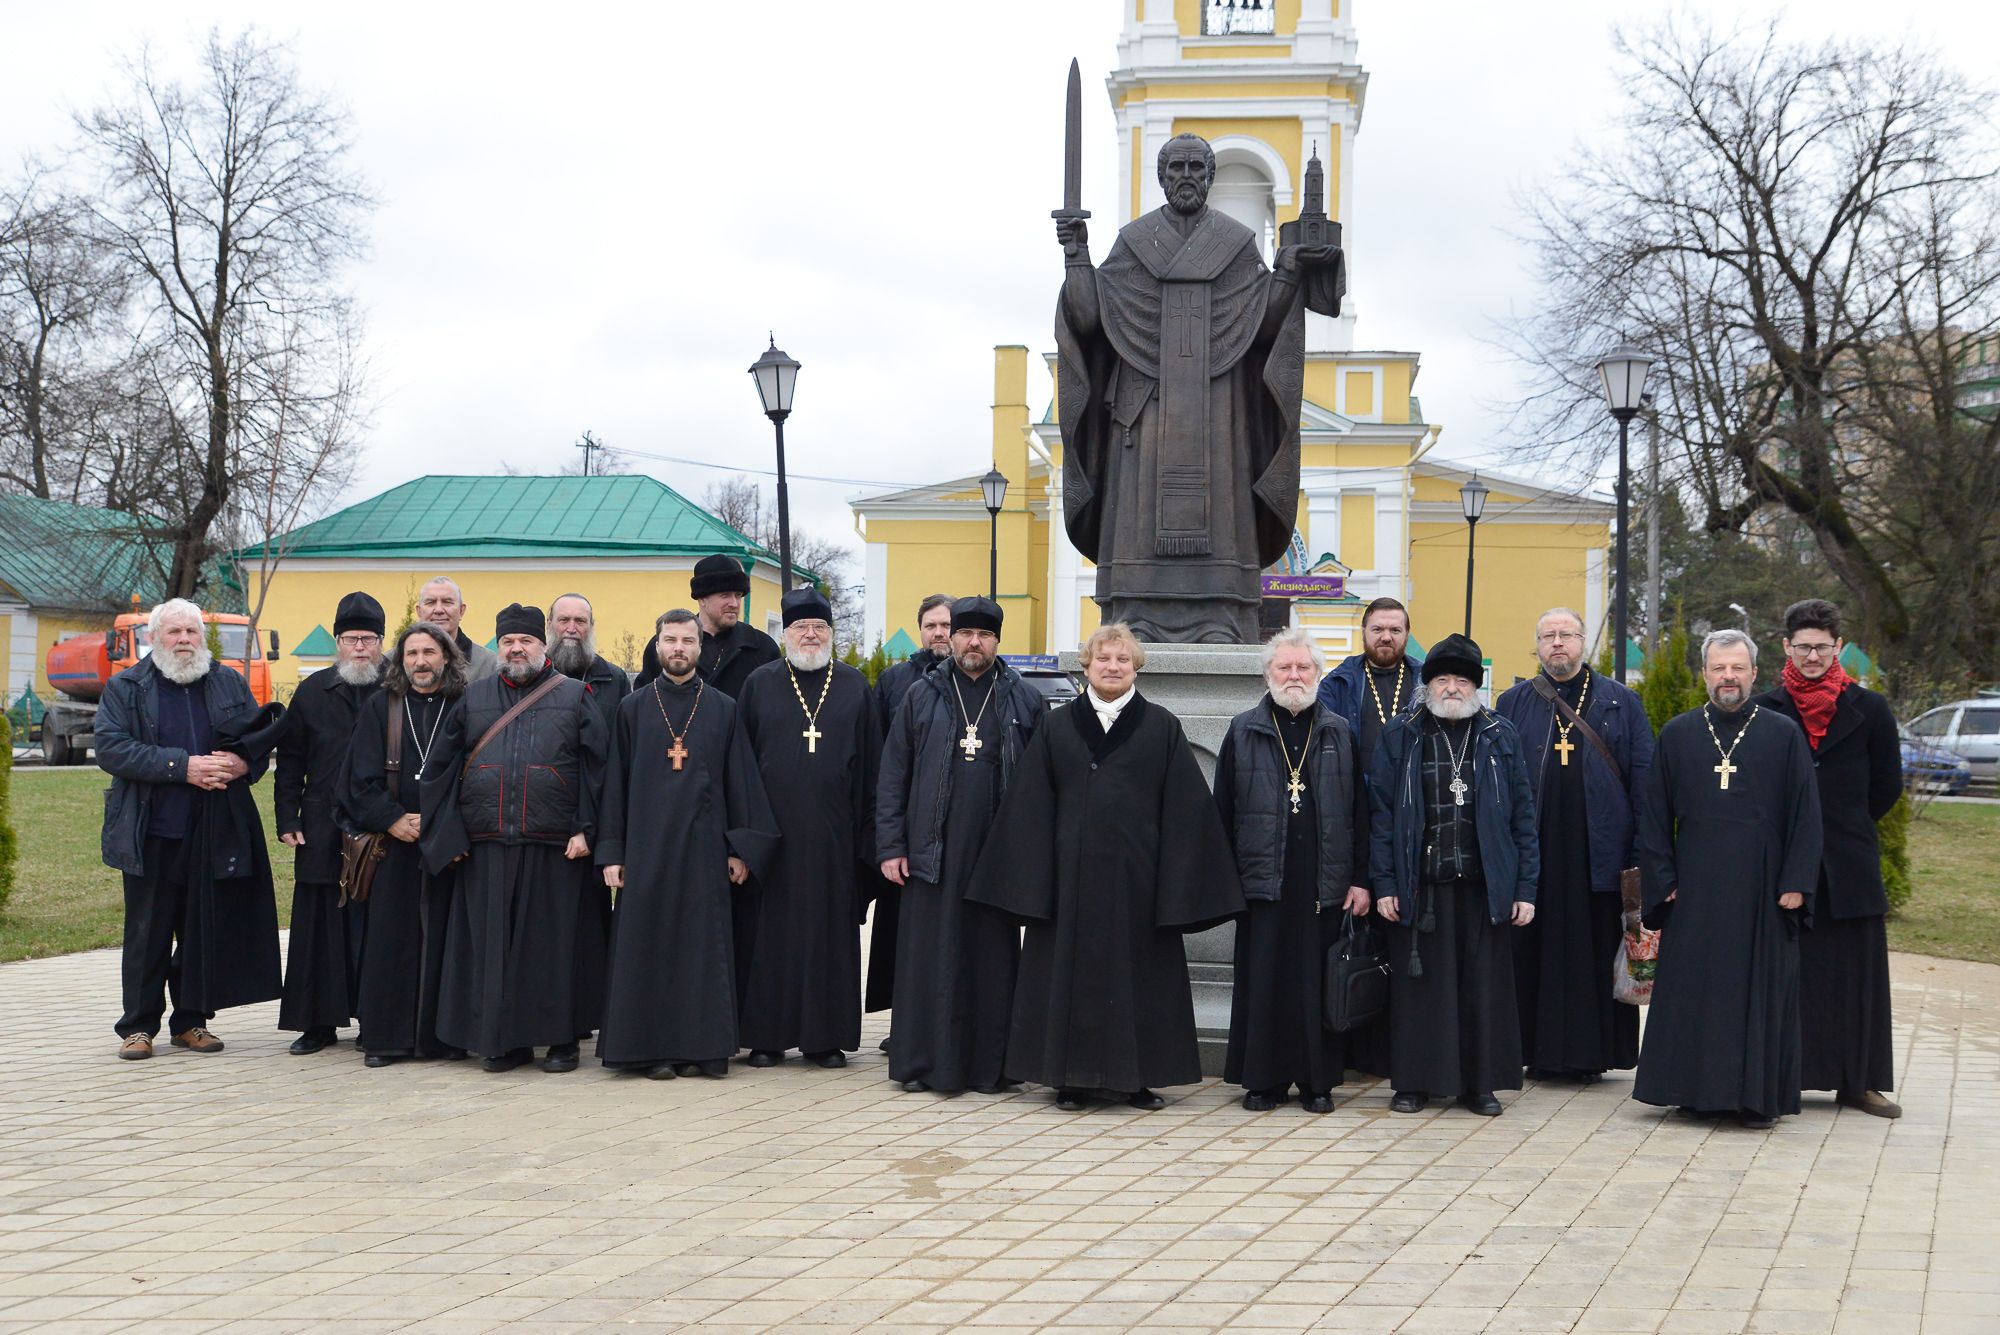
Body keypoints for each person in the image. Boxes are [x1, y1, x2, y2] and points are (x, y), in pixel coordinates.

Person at [1052, 133, 1343, 642]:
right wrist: (1078, 257)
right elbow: (1088, 316)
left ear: (1210, 176)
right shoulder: (1134, 242)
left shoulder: (1235, 244)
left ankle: (1221, 617)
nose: (1185, 175)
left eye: (1195, 167)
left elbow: (1263, 326)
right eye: (1176, 167)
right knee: (1136, 512)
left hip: (1216, 414)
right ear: (1163, 177)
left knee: (1222, 505)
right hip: (1142, 412)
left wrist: (1290, 273)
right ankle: (1133, 617)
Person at [971, 624, 1245, 1111]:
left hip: (1137, 883)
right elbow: (1030, 805)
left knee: (1137, 981)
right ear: (1086, 666)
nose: (1113, 667)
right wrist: (1032, 882)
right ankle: (1069, 1079)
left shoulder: (1161, 726)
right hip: (1069, 882)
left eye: (1122, 659)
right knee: (1066, 978)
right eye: (1103, 659)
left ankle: (1135, 1080)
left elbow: (1186, 811)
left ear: (1136, 666)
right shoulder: (1057, 726)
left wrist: (1177, 887)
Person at [1634, 629, 1824, 1129]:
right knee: (1697, 991)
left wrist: (1797, 882)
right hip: (1695, 887)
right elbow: (1654, 815)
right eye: (1719, 668)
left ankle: (1755, 1099)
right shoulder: (1677, 733)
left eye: (1737, 668)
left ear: (1754, 673)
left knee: (1756, 991)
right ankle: (1690, 1092)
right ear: (1705, 673)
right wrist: (1663, 878)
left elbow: (1807, 814)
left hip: (1763, 888)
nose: (1728, 678)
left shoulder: (1783, 734)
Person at [421, 603, 610, 1074]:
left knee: (552, 951)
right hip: (486, 845)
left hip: (554, 846)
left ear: (542, 646)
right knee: (492, 954)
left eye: (526, 641)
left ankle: (561, 1040)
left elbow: (599, 771)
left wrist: (586, 828)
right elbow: (440, 771)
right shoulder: (475, 696)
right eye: (508, 641)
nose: (517, 648)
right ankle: (503, 1042)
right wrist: (453, 833)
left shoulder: (575, 695)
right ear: (499, 646)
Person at [98, 599, 284, 1060]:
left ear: (203, 637)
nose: (184, 640)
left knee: (201, 929)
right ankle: (138, 1027)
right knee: (148, 932)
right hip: (152, 829)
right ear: (154, 638)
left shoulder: (227, 681)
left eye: (192, 632)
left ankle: (191, 1022)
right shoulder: (127, 686)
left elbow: (258, 738)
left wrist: (243, 763)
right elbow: (112, 748)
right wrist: (183, 767)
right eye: (174, 632)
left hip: (214, 829)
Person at [597, 610, 778, 1078]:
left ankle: (703, 1049)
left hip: (704, 852)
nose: (678, 648)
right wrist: (612, 852)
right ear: (657, 647)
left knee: (703, 950)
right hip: (645, 849)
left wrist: (740, 848)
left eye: (687, 641)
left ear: (700, 648)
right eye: (670, 640)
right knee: (647, 947)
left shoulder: (723, 708)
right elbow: (613, 784)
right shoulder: (633, 708)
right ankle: (649, 1050)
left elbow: (742, 781)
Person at [876, 596, 1044, 1096]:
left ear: (997, 639)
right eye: (966, 634)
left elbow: (1040, 784)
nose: (974, 643)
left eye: (984, 635)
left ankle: (991, 1068)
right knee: (931, 959)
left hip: (997, 855)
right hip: (932, 852)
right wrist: (891, 846)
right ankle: (924, 1064)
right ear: (951, 639)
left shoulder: (1023, 699)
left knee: (991, 962)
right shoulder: (921, 695)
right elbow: (892, 776)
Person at [1369, 633, 1539, 1116]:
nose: (1451, 688)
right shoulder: (1402, 733)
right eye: (1441, 678)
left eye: (1461, 679)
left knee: (1480, 991)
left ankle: (1478, 1085)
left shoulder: (1500, 734)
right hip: (1419, 885)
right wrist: (1384, 883)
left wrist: (1525, 888)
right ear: (1427, 685)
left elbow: (1524, 816)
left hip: (1485, 888)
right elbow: (1381, 815)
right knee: (1419, 993)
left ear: (1475, 686)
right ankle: (1414, 1083)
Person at [1217, 628, 1377, 1113]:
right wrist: (1226, 885)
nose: (1293, 676)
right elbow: (1222, 812)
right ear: (1268, 675)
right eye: (1284, 668)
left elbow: (1360, 814)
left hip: (1323, 884)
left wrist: (1361, 879)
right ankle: (1262, 1081)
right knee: (1263, 984)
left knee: (1316, 985)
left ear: (1317, 674)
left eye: (1302, 668)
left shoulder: (1339, 731)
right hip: (1262, 883)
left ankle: (1317, 1082)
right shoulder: (1243, 730)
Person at [1755, 601, 1903, 1116]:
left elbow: (1887, 786)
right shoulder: (1766, 710)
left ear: (1837, 647)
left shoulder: (1871, 709)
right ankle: (1783, 1075)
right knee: (1790, 974)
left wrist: (1842, 826)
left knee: (1856, 978)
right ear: (1786, 649)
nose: (1812, 655)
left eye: (1821, 646)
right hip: (1784, 865)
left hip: (1849, 863)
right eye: (1803, 647)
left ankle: (1858, 1082)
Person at [1495, 608, 1653, 1084]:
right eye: (1548, 636)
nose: (1557, 643)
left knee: (1592, 953)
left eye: (1566, 635)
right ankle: (1532, 1050)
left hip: (1599, 850)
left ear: (1583, 642)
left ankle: (1593, 1054)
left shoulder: (1620, 702)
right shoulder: (1512, 702)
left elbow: (1645, 781)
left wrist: (1643, 854)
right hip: (1536, 852)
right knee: (1534, 953)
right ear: (1537, 645)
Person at [732, 589, 879, 1068]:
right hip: (770, 837)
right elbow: (741, 766)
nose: (810, 634)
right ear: (786, 634)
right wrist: (745, 837)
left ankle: (825, 1039)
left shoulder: (856, 685)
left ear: (832, 633)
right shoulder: (759, 684)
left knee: (830, 939)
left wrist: (866, 844)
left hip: (835, 840)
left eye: (819, 627)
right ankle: (767, 1037)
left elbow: (872, 770)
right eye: (800, 627)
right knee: (768, 939)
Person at [341, 621, 465, 1067]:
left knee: (447, 940)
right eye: (411, 653)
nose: (420, 662)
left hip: (448, 845)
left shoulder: (465, 705)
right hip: (394, 844)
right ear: (401, 660)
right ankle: (386, 1039)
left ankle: (443, 1038)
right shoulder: (382, 707)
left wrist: (440, 825)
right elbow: (357, 780)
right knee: (390, 942)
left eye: (429, 652)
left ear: (446, 657)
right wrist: (392, 819)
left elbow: (476, 776)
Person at [274, 591, 384, 1056]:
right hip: (320, 824)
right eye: (350, 639)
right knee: (318, 925)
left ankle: (373, 1017)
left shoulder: (394, 690)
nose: (359, 648)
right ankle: (316, 1023)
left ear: (381, 643)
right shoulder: (313, 691)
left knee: (373, 924)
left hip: (379, 827)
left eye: (368, 639)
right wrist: (287, 816)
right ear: (337, 642)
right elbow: (290, 759)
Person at [865, 591, 954, 1030]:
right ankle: (904, 1022)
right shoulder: (896, 681)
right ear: (920, 631)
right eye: (931, 626)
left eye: (946, 625)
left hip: (956, 827)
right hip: (907, 825)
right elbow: (881, 757)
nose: (939, 633)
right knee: (902, 932)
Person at [634, 554, 780, 696]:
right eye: (725, 595)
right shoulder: (666, 646)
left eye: (738, 595)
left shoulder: (762, 648)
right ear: (703, 599)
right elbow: (644, 704)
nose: (734, 604)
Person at [1317, 598, 1422, 770]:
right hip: (1355, 790)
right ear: (1364, 631)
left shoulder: (1426, 682)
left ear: (1407, 634)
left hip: (1409, 788)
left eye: (1395, 630)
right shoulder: (1337, 685)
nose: (1386, 637)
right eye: (1378, 629)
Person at [548, 592, 631, 733]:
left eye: (580, 621)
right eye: (564, 620)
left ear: (591, 626)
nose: (571, 629)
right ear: (549, 624)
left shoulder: (615, 680)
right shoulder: (535, 675)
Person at [417, 576, 499, 682]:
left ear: (461, 610)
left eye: (447, 602)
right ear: (419, 611)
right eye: (430, 602)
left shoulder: (488, 664)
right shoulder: (394, 660)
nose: (438, 610)